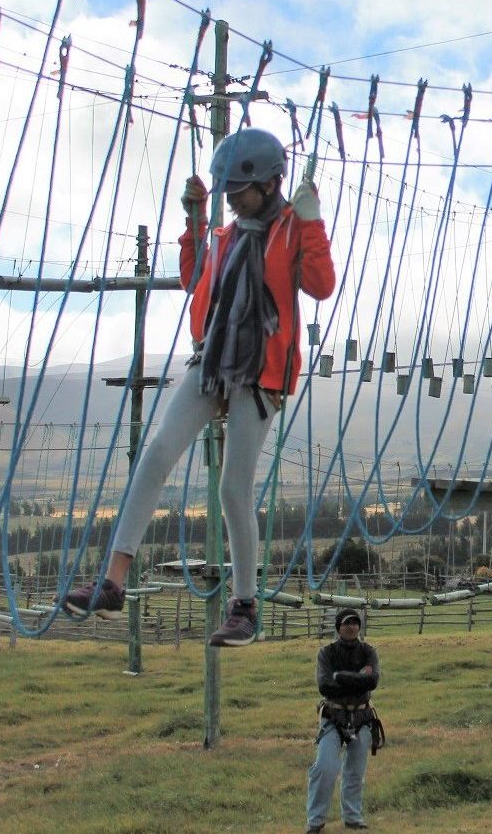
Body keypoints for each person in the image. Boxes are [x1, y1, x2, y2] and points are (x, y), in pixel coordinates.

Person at [64, 128, 336, 647]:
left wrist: (312, 220)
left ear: (272, 184)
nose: (234, 200)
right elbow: (198, 281)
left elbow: (320, 285)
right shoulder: (228, 235)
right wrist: (193, 223)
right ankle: (113, 580)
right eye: (228, 192)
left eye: (242, 192)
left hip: (260, 372)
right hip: (212, 361)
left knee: (234, 488)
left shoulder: (288, 231)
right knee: (156, 453)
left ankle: (244, 605)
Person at [307, 609, 382, 833]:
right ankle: (315, 821)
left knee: (355, 773)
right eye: (346, 623)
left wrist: (339, 677)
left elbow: (373, 681)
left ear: (359, 627)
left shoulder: (369, 651)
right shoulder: (326, 653)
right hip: (334, 717)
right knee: (325, 767)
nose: (351, 627)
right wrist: (358, 679)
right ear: (338, 626)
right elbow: (324, 685)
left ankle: (353, 817)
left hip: (362, 717)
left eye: (355, 623)